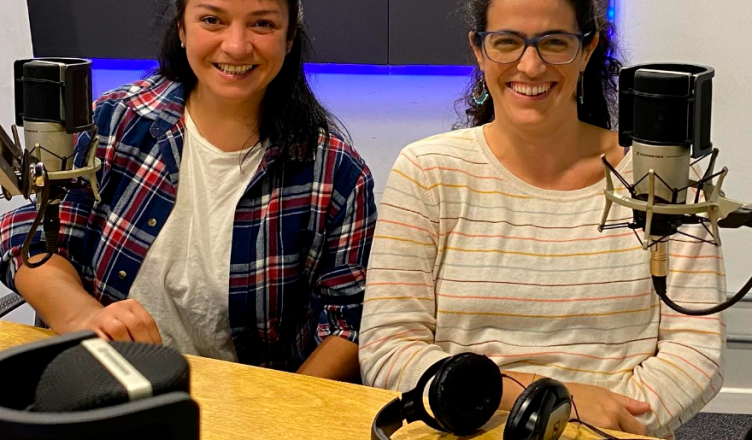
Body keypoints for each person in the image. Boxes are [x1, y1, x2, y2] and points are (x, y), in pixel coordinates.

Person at [358, 0, 724, 437]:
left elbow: (695, 351)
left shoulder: (664, 178)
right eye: (507, 42)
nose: (530, 66)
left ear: (587, 50)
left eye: (554, 43)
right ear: (479, 50)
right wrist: (549, 403)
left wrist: (607, 423)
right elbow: (388, 350)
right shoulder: (427, 172)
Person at [0, 0, 377, 382]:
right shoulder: (117, 119)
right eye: (212, 20)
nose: (236, 46)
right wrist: (83, 316)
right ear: (181, 27)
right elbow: (26, 237)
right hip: (102, 386)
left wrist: (279, 408)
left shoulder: (336, 175)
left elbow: (349, 324)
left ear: (290, 36)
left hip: (244, 404)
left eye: (262, 24)